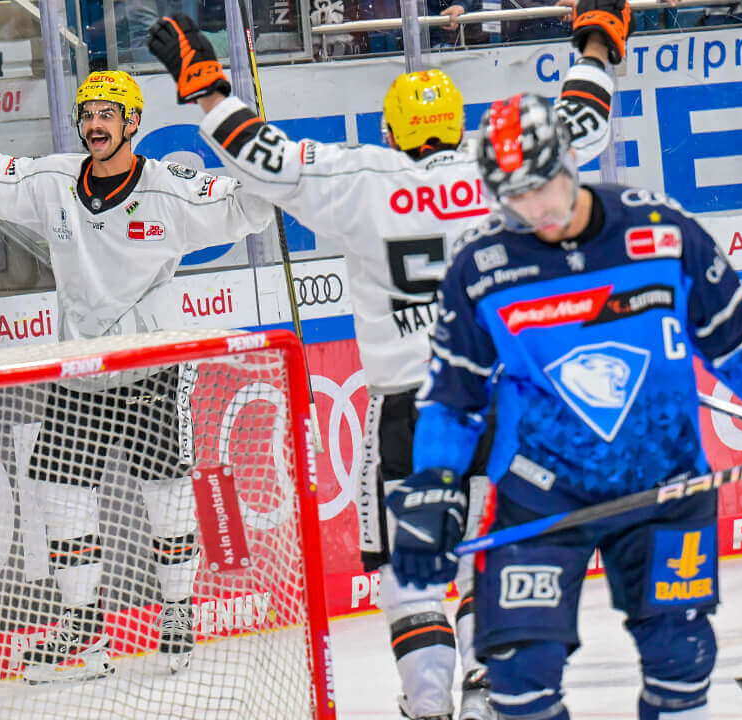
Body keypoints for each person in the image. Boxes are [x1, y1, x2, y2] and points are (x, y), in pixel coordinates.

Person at [147, 2, 626, 716]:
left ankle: (430, 703)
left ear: (392, 130)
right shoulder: (503, 169)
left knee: (411, 578)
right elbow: (582, 123)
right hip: (509, 400)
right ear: (459, 125)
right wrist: (594, 41)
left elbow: (262, 154)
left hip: (413, 409)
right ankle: (497, 684)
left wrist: (207, 87)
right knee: (485, 555)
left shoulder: (360, 178)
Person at [0, 64, 273, 683]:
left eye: (109, 116)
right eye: (88, 114)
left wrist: (268, 164)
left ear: (133, 124)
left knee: (167, 495)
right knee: (62, 496)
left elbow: (242, 209)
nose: (96, 125)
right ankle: (83, 632)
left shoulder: (169, 188)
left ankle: (177, 612)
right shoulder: (55, 181)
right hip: (79, 370)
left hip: (153, 366)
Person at [392, 81, 742, 719]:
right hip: (542, 494)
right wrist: (435, 483)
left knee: (681, 659)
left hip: (665, 489)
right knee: (518, 677)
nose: (536, 207)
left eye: (543, 184)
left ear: (569, 164)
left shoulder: (662, 231)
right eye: (515, 195)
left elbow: (737, 347)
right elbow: (452, 400)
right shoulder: (482, 267)